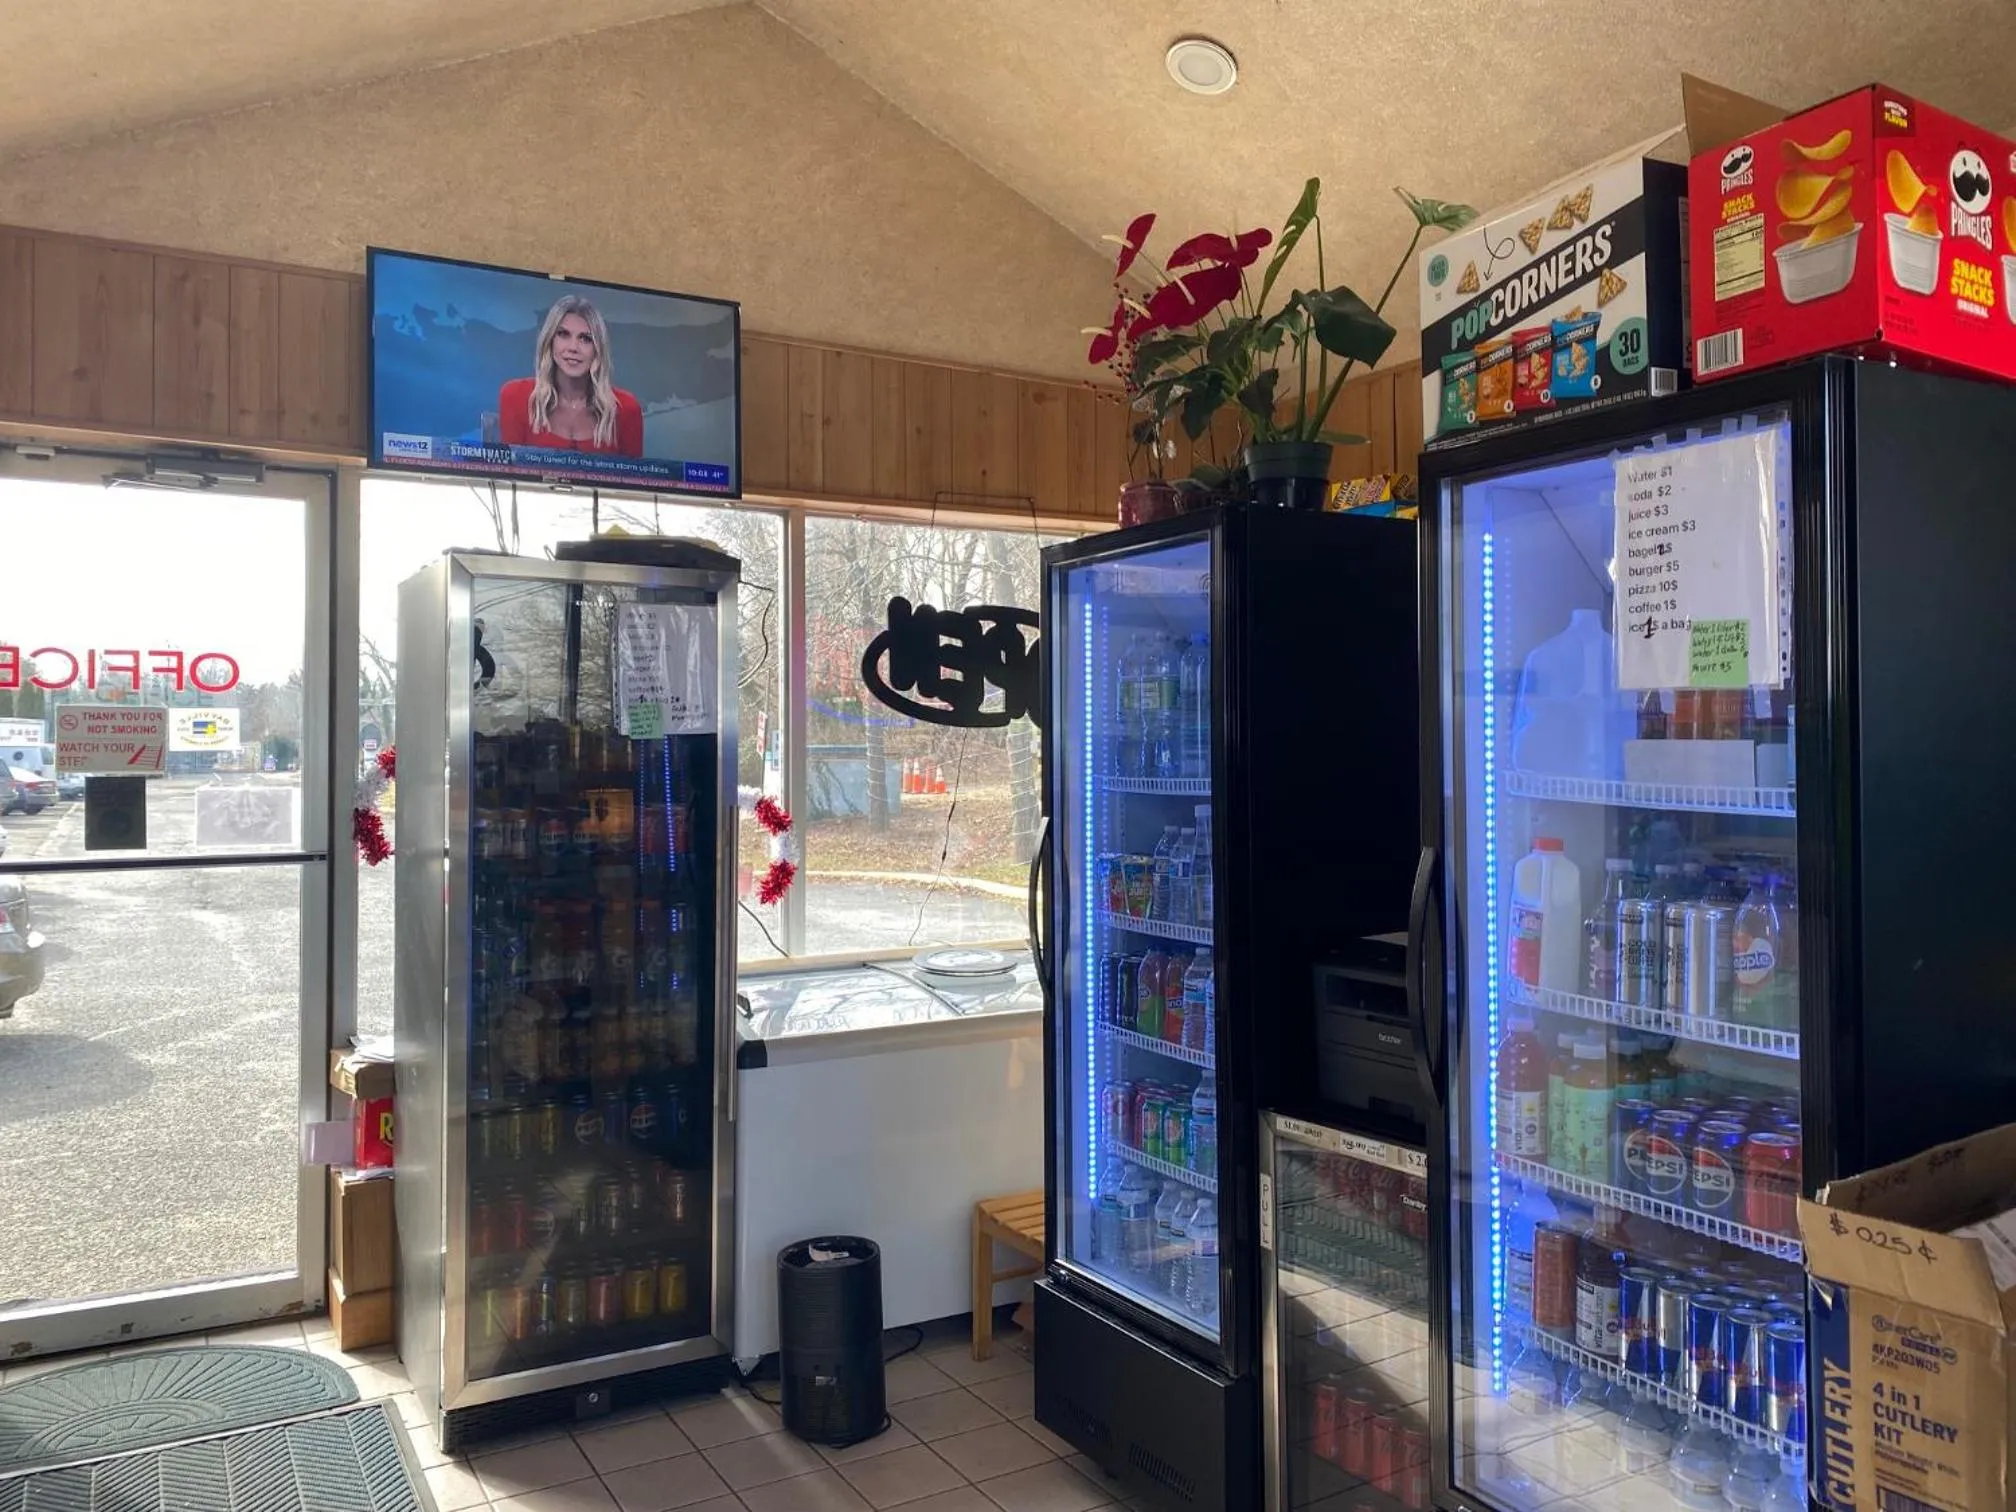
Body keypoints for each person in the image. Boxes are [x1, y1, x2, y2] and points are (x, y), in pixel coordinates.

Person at [497, 294, 644, 456]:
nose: (573, 347)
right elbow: (511, 475)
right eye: (563, 334)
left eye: (585, 339)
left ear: (598, 350)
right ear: (550, 342)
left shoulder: (626, 409)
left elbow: (634, 479)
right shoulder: (516, 396)